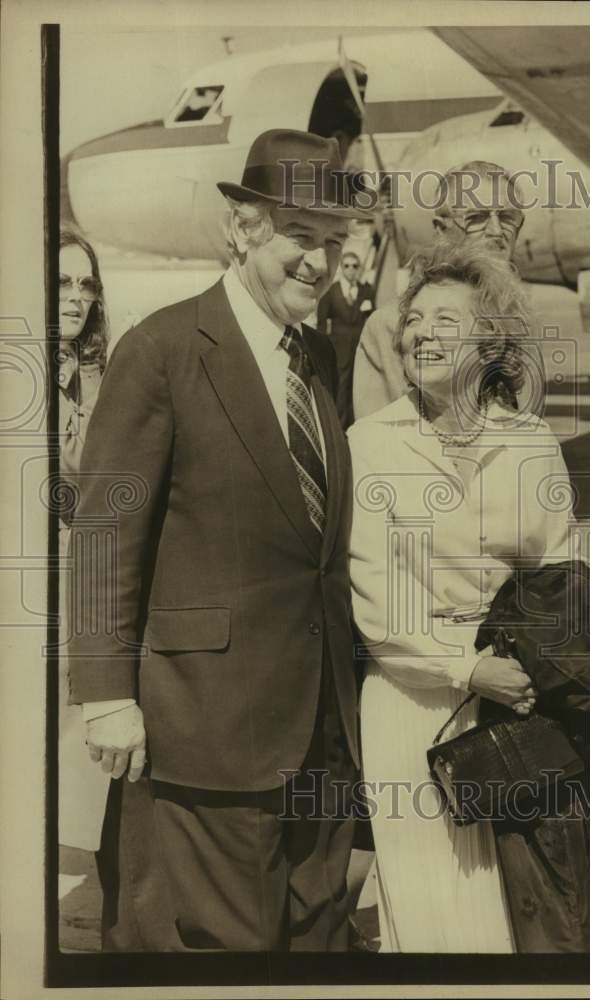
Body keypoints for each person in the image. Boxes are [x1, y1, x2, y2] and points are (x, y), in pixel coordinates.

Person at [67, 130, 369, 951]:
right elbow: (104, 530)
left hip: (320, 727)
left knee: (314, 939)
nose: (319, 262)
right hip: (205, 728)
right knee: (214, 948)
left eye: (334, 245)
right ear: (243, 230)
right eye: (300, 238)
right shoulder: (162, 350)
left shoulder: (313, 356)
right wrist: (107, 697)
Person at [348, 242, 564, 952]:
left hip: (517, 706)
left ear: (489, 338)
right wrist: (466, 668)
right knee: (436, 916)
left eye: (447, 318)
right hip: (412, 703)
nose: (422, 332)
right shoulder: (368, 445)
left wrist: (533, 672)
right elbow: (374, 600)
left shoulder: (532, 443)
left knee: (525, 914)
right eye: (413, 319)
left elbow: (561, 578)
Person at [352, 160, 543, 422]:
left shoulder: (517, 321)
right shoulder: (391, 326)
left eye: (507, 217)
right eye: (477, 218)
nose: (497, 231)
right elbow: (381, 445)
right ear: (442, 230)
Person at [57, 229, 113, 853]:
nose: (77, 298)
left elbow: (92, 474)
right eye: (62, 282)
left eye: (87, 284)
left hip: (69, 556)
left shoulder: (97, 370)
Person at [316, 250, 375, 428]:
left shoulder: (366, 291)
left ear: (360, 269)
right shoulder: (331, 291)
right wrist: (322, 349)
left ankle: (354, 426)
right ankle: (337, 427)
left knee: (357, 386)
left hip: (358, 348)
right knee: (340, 388)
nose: (351, 270)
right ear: (341, 268)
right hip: (338, 348)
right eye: (347, 266)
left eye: (355, 266)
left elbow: (372, 319)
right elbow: (321, 322)